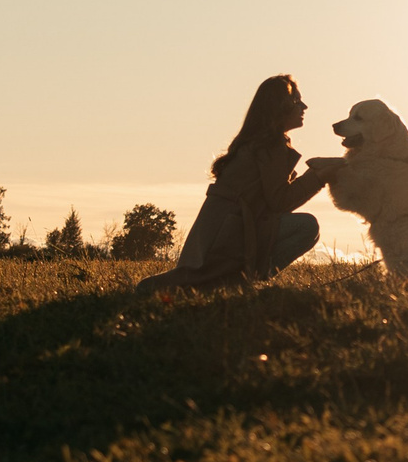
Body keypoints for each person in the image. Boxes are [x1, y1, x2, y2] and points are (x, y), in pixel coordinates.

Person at [136, 74, 340, 297]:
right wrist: (319, 176)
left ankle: (238, 283)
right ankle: (243, 283)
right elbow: (280, 201)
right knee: (307, 227)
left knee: (198, 281)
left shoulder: (258, 141)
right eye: (297, 101)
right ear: (280, 108)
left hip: (221, 232)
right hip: (229, 234)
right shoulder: (270, 144)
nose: (304, 106)